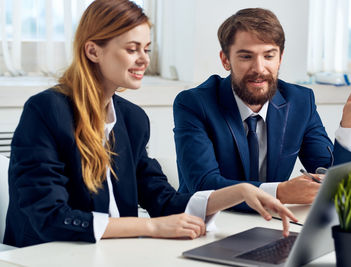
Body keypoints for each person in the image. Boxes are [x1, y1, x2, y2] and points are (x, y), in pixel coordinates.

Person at [3, 1, 297, 248]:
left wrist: (238, 191)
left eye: (146, 49)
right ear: (93, 51)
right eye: (132, 49)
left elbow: (162, 200)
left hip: (118, 254)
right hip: (48, 257)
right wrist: (152, 227)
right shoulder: (46, 110)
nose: (143, 59)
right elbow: (50, 217)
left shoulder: (131, 119)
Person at [173, 8, 351, 211]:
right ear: (225, 60)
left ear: (280, 58)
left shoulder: (300, 101)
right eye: (246, 56)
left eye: (269, 56)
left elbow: (331, 178)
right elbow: (203, 185)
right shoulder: (194, 104)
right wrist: (280, 192)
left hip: (276, 225)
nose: (259, 68)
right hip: (210, 225)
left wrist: (349, 119)